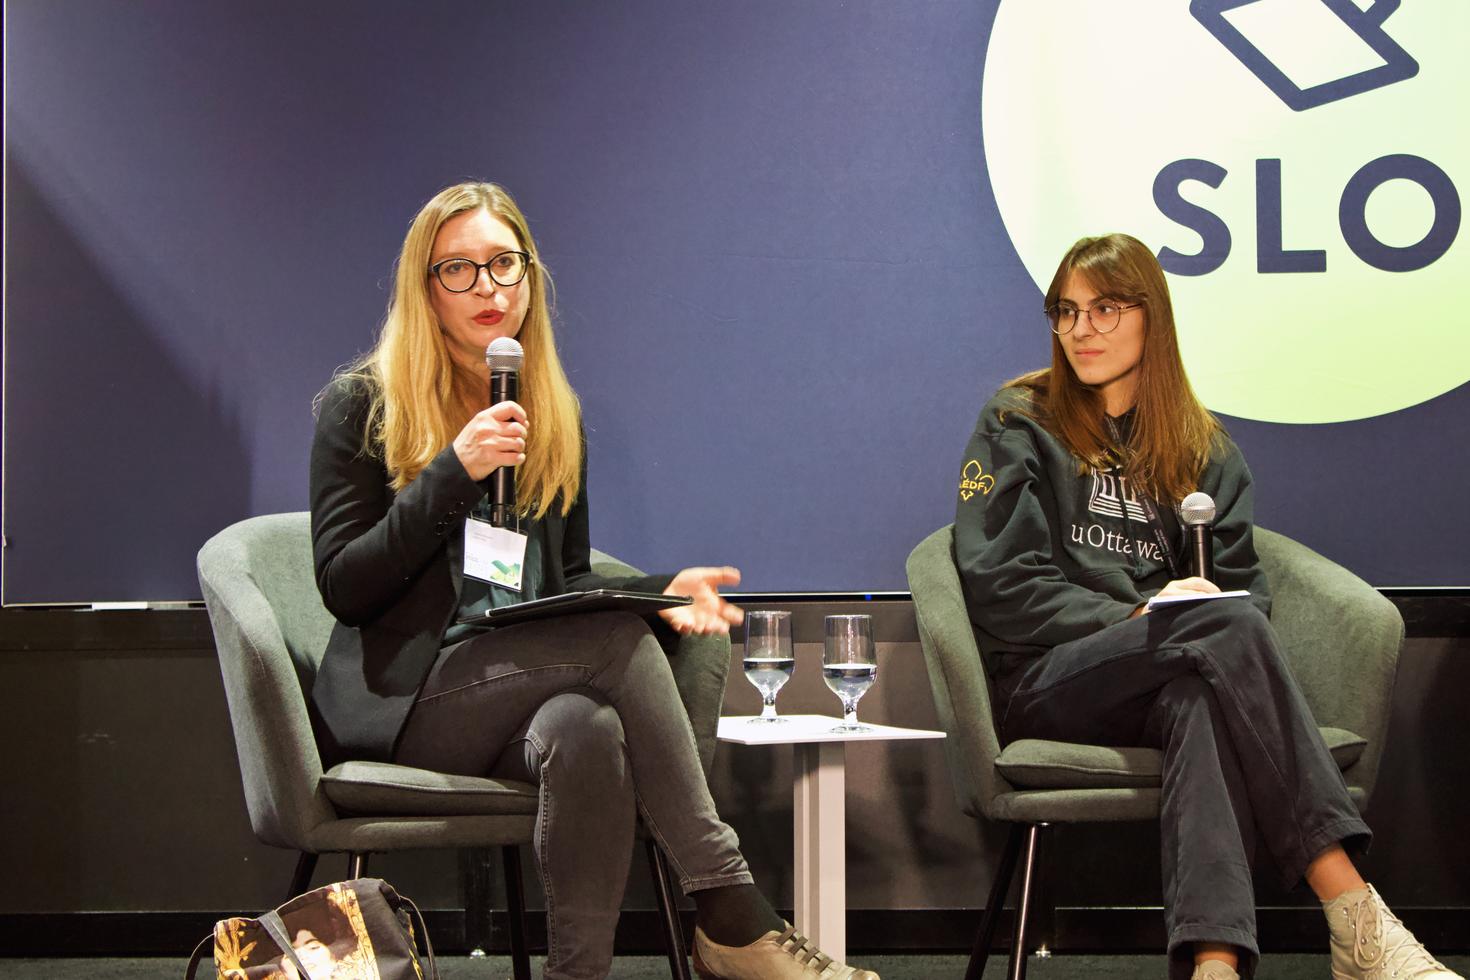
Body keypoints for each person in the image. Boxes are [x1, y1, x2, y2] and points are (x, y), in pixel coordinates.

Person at [309, 180, 878, 980]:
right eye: (459, 270)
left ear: (529, 277)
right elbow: (344, 585)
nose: (488, 288)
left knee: (587, 727)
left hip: (515, 687)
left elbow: (564, 585)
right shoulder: (364, 405)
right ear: (425, 287)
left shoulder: (550, 413)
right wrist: (453, 472)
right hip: (409, 701)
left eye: (504, 264)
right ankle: (729, 907)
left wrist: (660, 589)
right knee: (612, 644)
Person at [951, 233, 1460, 980]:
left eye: (1105, 309)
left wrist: (1186, 620)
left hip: (1169, 674)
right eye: (1065, 311)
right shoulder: (1019, 420)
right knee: (1214, 629)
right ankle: (1355, 913)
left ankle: (1214, 964)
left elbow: (1243, 591)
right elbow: (1001, 580)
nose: (1080, 330)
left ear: (1151, 317)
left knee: (1200, 695)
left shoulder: (1201, 446)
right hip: (1048, 679)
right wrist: (1138, 617)